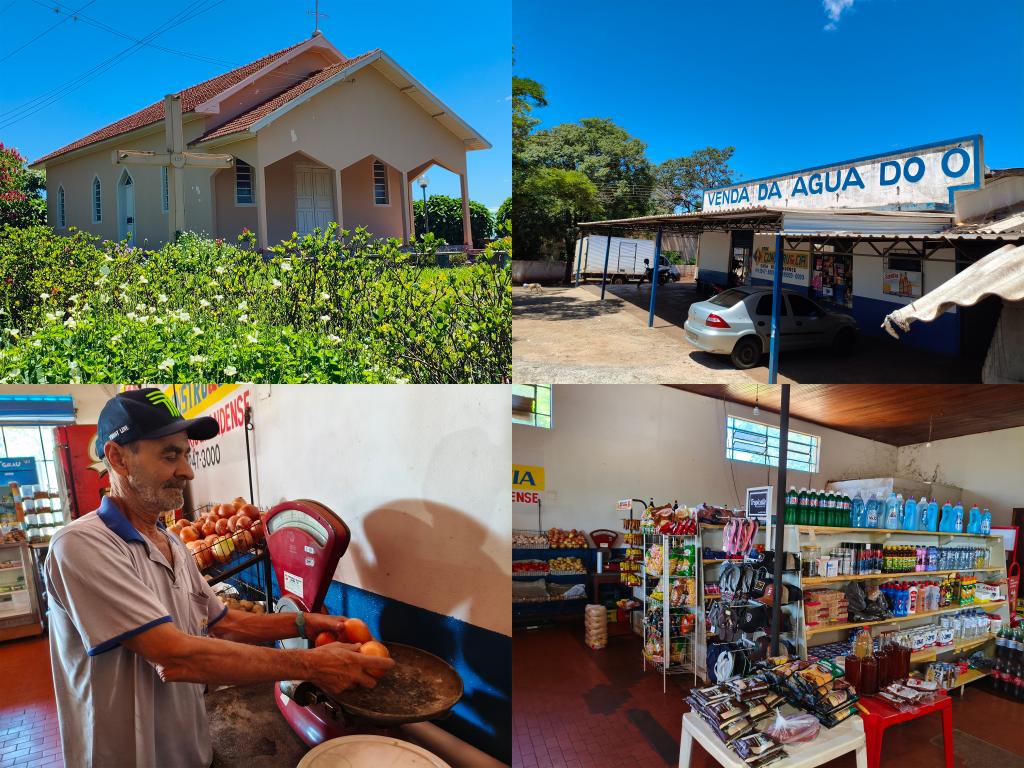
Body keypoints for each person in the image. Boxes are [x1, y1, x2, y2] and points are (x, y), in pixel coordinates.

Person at [45, 389, 393, 767]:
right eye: (169, 454)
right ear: (118, 457)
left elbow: (223, 623)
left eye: (186, 454)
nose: (187, 471)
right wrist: (312, 666)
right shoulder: (81, 545)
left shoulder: (173, 544)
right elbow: (174, 657)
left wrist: (304, 622)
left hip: (191, 751)